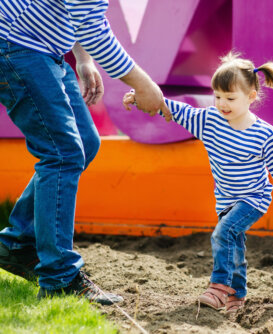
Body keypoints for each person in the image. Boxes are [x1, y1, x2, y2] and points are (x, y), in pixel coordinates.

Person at [0, 0, 168, 305]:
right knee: (62, 154)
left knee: (84, 143)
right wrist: (144, 85)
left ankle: (18, 244)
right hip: (17, 46)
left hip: (43, 48)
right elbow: (91, 26)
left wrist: (83, 58)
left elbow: (75, 11)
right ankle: (59, 277)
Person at [123, 52, 273, 312]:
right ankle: (237, 296)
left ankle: (219, 289)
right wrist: (147, 97)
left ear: (251, 97)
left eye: (230, 98)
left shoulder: (264, 134)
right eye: (217, 96)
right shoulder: (210, 121)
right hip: (226, 199)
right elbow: (178, 110)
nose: (222, 104)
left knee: (223, 233)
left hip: (253, 199)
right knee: (235, 245)